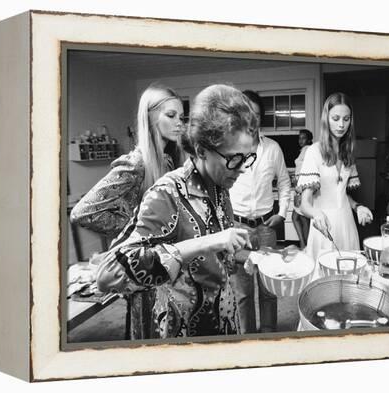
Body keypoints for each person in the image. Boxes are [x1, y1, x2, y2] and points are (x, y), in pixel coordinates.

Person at [96, 84, 259, 338]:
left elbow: (212, 258)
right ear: (202, 149)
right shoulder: (167, 193)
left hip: (222, 320)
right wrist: (209, 241)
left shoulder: (220, 186)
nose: (242, 168)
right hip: (181, 332)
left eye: (248, 157)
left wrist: (246, 256)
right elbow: (107, 278)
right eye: (234, 158)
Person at [70, 83, 186, 340]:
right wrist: (135, 229)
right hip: (143, 267)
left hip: (166, 264)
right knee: (149, 334)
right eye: (171, 115)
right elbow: (83, 212)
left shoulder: (169, 159)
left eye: (181, 116)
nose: (180, 123)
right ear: (151, 117)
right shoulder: (136, 162)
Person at [228, 90, 291, 334]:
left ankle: (268, 335)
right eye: (246, 114)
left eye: (256, 115)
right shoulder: (228, 149)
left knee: (268, 289)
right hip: (238, 229)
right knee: (242, 292)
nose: (251, 121)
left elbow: (285, 183)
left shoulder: (273, 149)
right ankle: (247, 338)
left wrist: (283, 212)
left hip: (266, 229)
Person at [296, 92, 373, 262]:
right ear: (326, 119)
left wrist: (357, 207)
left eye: (346, 119)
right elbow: (304, 204)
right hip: (324, 226)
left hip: (347, 224)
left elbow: (341, 194)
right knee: (324, 279)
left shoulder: (348, 153)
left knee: (349, 276)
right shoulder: (314, 152)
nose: (341, 125)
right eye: (336, 118)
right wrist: (316, 213)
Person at [293, 129, 313, 249]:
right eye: (299, 138)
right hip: (299, 187)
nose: (301, 140)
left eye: (303, 138)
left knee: (302, 218)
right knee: (300, 217)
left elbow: (306, 169)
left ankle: (305, 244)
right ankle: (305, 244)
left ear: (309, 139)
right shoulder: (304, 150)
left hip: (302, 188)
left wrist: (299, 182)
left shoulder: (308, 150)